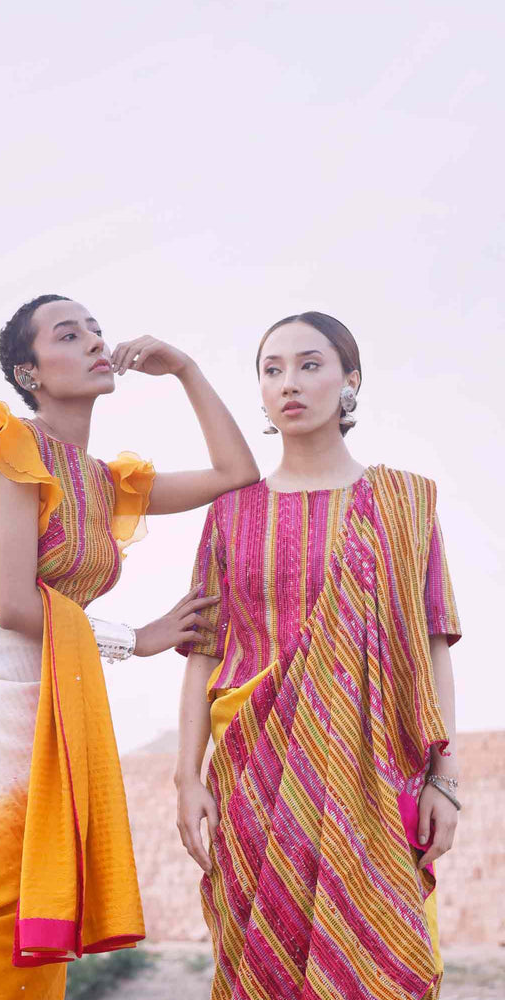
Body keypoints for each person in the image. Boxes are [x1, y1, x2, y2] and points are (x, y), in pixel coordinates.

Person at [0, 294, 259, 1000]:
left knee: (38, 902)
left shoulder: (103, 481)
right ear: (29, 372)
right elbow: (9, 602)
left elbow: (236, 474)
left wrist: (184, 368)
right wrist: (139, 638)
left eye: (98, 329)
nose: (97, 341)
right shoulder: (14, 447)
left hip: (53, 695)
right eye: (70, 334)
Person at [175, 312, 461, 1000]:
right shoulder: (231, 512)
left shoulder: (405, 503)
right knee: (261, 965)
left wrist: (445, 780)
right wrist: (186, 779)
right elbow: (202, 654)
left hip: (376, 779)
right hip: (253, 780)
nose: (288, 384)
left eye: (309, 365)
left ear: (350, 381)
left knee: (377, 963)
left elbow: (433, 645)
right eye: (271, 370)